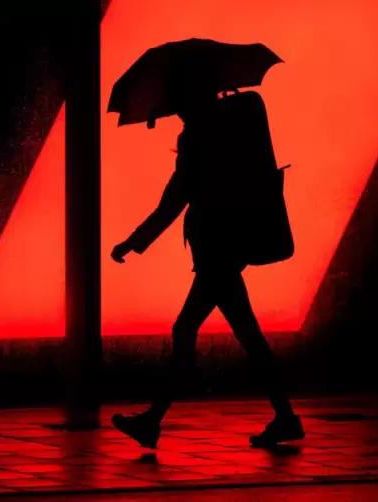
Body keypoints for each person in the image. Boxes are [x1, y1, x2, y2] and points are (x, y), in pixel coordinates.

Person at [110, 85, 304, 449]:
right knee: (247, 337)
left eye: (178, 104)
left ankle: (153, 420)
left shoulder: (198, 140)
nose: (175, 112)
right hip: (228, 249)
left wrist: (133, 242)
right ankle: (285, 417)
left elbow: (173, 201)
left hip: (216, 252)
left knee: (187, 330)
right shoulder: (229, 133)